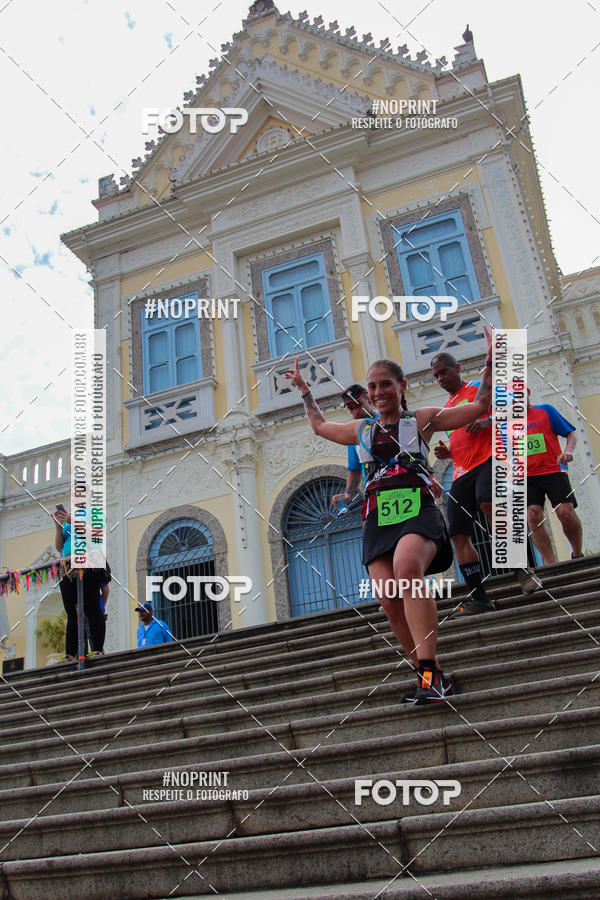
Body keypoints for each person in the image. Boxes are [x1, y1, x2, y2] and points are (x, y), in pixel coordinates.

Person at [285, 327, 493, 705]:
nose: (379, 392)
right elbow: (319, 426)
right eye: (373, 386)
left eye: (385, 384)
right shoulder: (361, 430)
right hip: (377, 516)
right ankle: (429, 678)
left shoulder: (422, 420)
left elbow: (478, 408)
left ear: (401, 385)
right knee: (387, 596)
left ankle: (429, 669)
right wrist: (304, 389)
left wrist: (493, 359)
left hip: (416, 508)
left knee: (407, 567)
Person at [431, 352, 538, 615]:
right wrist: (448, 454)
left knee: (489, 503)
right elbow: (463, 441)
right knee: (456, 533)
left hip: (491, 460)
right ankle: (479, 596)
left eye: (444, 371)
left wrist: (489, 420)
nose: (440, 378)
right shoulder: (448, 407)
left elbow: (521, 405)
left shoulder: (478, 388)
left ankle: (522, 568)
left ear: (457, 367)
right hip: (461, 473)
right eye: (436, 376)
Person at [522, 389, 583, 562]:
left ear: (527, 392)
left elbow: (571, 433)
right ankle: (551, 565)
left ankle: (578, 555)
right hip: (527, 475)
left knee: (565, 512)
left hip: (554, 469)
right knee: (533, 515)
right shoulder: (506, 423)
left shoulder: (545, 410)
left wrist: (568, 451)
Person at [53, 506, 107, 659]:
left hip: (87, 562)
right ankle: (70, 653)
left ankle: (97, 649)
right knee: (71, 613)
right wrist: (58, 526)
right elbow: (59, 546)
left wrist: (73, 521)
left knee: (92, 608)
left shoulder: (95, 512)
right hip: (68, 565)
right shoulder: (70, 518)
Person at [332, 384, 376, 513]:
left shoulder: (387, 420)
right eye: (351, 409)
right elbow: (355, 470)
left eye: (358, 405)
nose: (356, 412)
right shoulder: (354, 434)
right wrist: (347, 494)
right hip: (375, 495)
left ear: (368, 398)